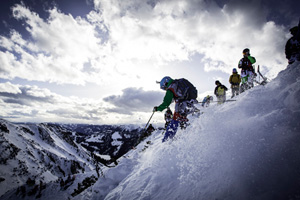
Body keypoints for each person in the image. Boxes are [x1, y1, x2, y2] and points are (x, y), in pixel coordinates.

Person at [153, 76, 198, 142]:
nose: (165, 89)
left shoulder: (170, 89)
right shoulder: (178, 83)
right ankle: (189, 132)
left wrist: (157, 109)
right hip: (190, 102)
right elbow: (174, 98)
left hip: (182, 106)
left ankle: (167, 140)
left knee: (174, 121)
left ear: (166, 83)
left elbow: (166, 103)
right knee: (186, 118)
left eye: (164, 88)